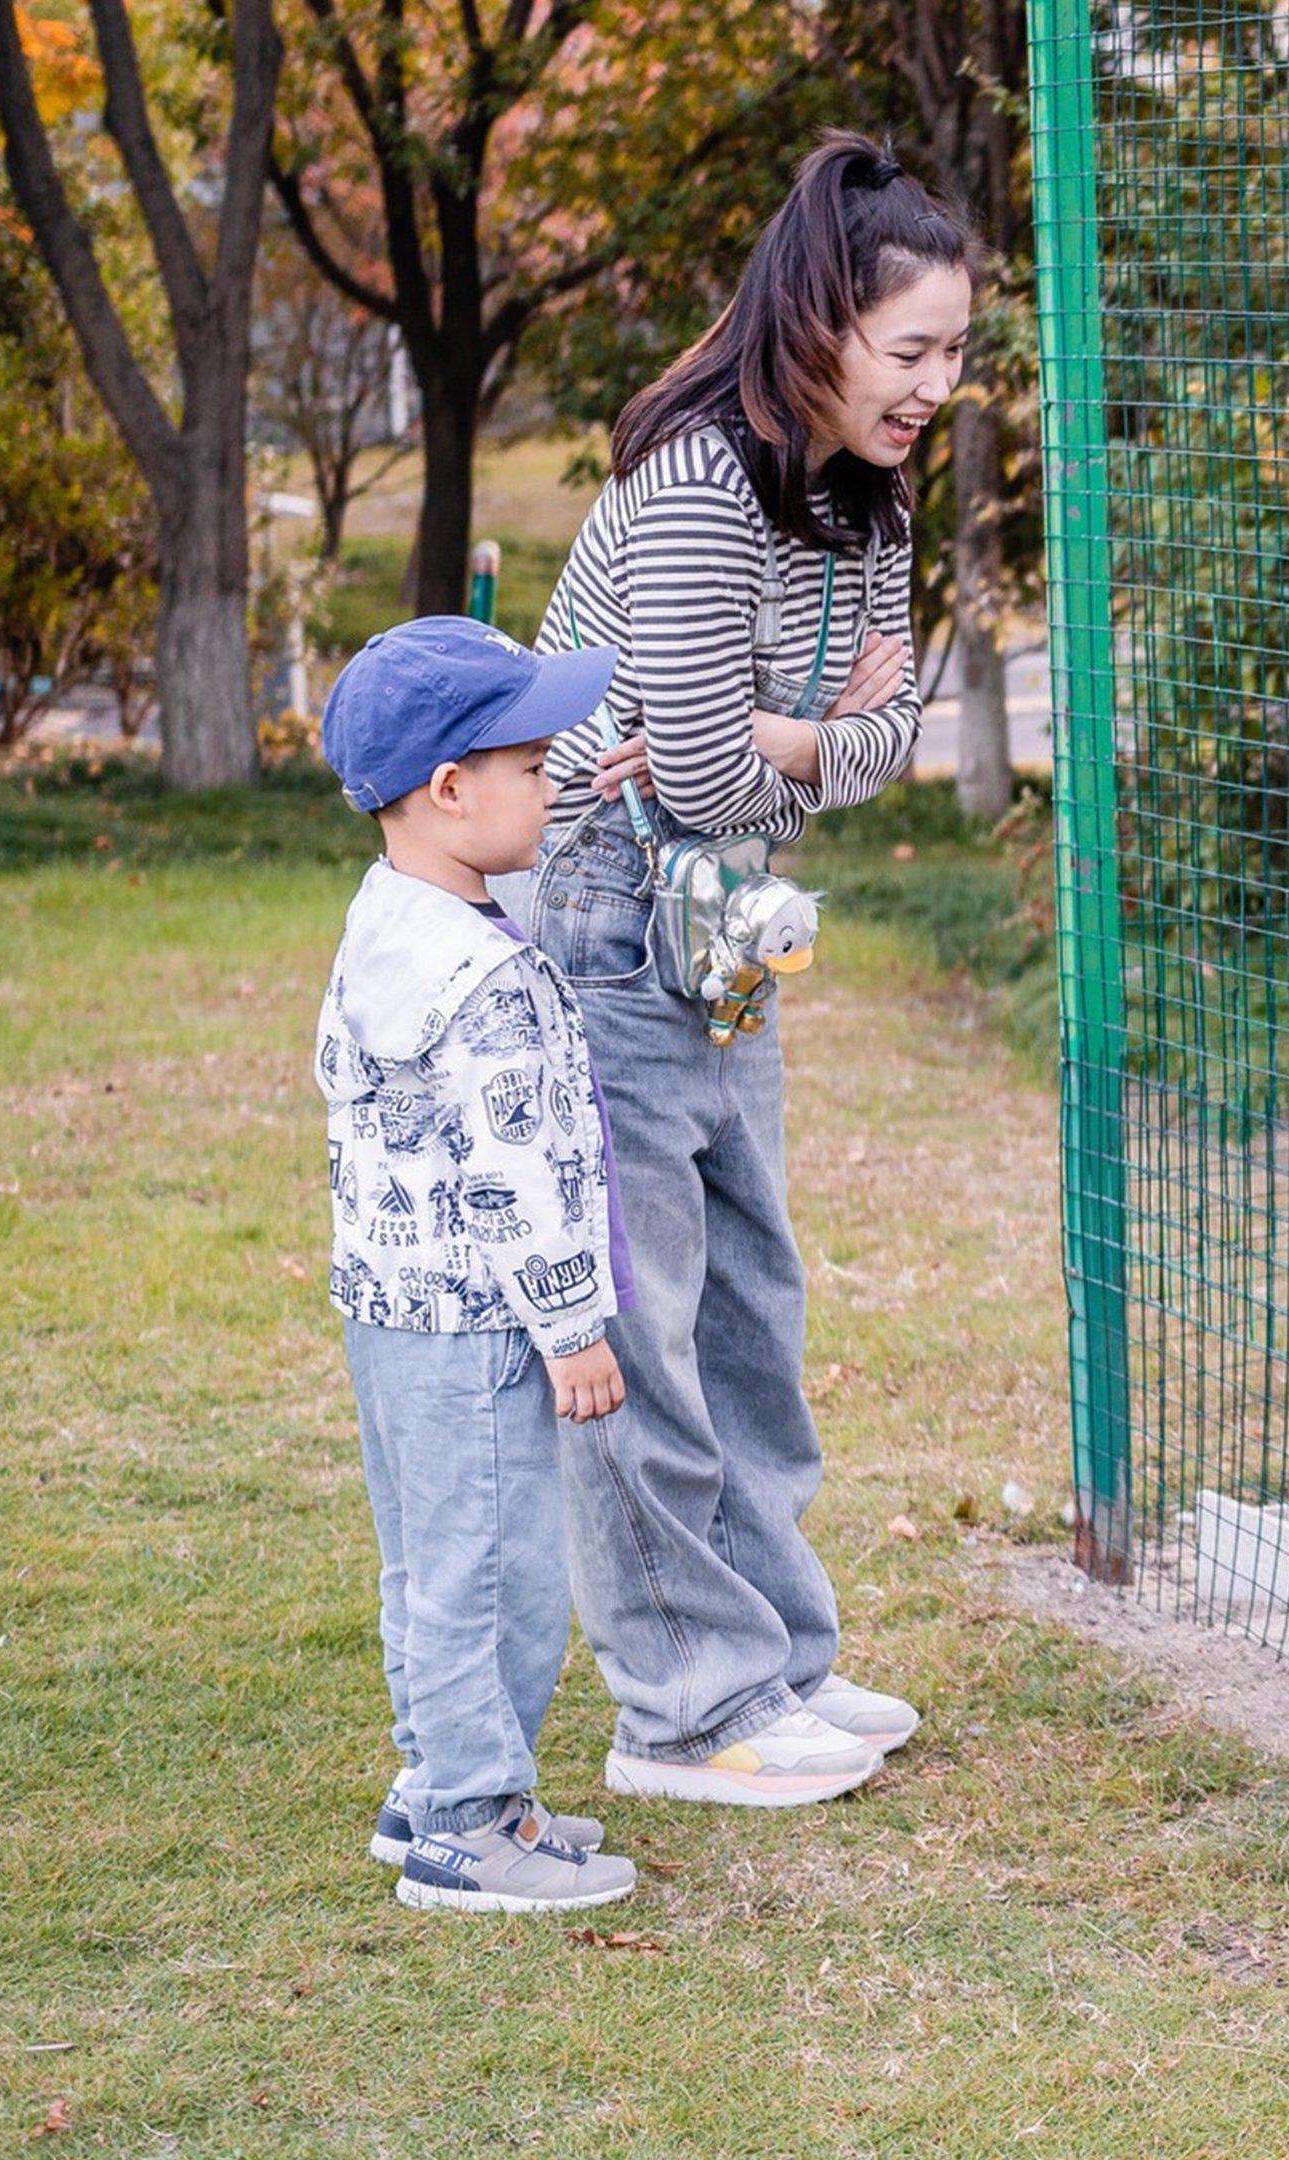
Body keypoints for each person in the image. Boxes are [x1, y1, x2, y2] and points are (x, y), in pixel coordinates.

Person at [519, 132, 971, 1806]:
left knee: (755, 1314)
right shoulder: (703, 484)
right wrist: (811, 726)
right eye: (910, 351)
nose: (935, 386)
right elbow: (711, 777)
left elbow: (884, 740)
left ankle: (781, 1654)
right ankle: (684, 1710)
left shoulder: (868, 496)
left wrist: (808, 734)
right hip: (609, 909)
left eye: (953, 356)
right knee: (646, 1324)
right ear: (821, 328)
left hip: (726, 925)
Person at [316, 617, 642, 1914]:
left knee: (429, 1558)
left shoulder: (391, 923)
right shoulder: (485, 977)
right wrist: (573, 1328)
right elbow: (518, 1171)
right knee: (497, 1567)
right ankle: (468, 1818)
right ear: (449, 791)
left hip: (393, 1309)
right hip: (482, 1322)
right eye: (533, 764)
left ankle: (436, 1783)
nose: (555, 783)